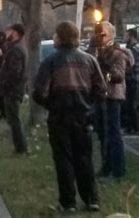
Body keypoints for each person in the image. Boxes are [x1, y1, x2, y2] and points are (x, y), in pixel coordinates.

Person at [33, 21, 107, 213]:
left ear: (60, 37)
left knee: (63, 160)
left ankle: (68, 202)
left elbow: (40, 92)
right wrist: (89, 106)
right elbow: (101, 90)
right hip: (83, 116)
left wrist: (51, 105)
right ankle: (92, 199)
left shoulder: (50, 62)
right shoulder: (89, 60)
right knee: (84, 159)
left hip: (59, 117)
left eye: (56, 35)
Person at [96, 21, 134, 179]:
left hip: (113, 96)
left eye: (103, 34)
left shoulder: (117, 53)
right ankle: (107, 167)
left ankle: (118, 171)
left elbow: (118, 76)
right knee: (103, 134)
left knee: (114, 134)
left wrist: (106, 69)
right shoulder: (99, 51)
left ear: (110, 35)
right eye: (98, 34)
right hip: (100, 96)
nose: (99, 37)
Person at [0, 24, 28, 154]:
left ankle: (20, 147)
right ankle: (19, 146)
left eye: (9, 31)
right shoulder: (15, 48)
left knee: (14, 119)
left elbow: (14, 72)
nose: (7, 33)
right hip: (13, 89)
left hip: (12, 90)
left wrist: (4, 83)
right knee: (12, 118)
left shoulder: (16, 50)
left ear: (15, 33)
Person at [125, 29, 139, 134]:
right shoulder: (132, 48)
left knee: (132, 104)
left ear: (132, 36)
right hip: (132, 79)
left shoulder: (133, 49)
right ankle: (131, 126)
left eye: (127, 36)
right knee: (130, 104)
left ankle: (134, 127)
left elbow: (131, 64)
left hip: (133, 80)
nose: (125, 38)